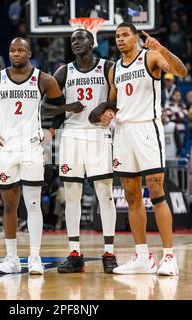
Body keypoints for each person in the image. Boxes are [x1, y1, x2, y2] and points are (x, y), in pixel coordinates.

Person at [0, 37, 82, 275]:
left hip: (31, 148)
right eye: (12, 49)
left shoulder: (44, 79)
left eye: (21, 50)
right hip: (5, 148)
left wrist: (49, 132)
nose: (15, 53)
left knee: (33, 204)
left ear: (30, 53)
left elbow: (60, 108)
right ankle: (11, 258)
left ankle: (35, 257)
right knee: (9, 205)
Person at [89, 22, 188, 276]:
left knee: (157, 193)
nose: (120, 39)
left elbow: (182, 72)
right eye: (117, 36)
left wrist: (162, 49)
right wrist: (107, 113)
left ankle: (169, 257)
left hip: (147, 129)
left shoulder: (151, 56)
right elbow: (113, 101)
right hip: (123, 132)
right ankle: (142, 256)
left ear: (135, 37)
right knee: (132, 196)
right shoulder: (114, 70)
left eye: (124, 35)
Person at [44, 29, 118, 274]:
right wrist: (67, 106)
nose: (76, 43)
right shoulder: (63, 71)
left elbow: (121, 98)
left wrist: (105, 105)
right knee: (72, 196)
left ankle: (109, 252)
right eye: (72, 39)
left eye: (81, 38)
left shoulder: (108, 67)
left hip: (99, 134)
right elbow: (47, 109)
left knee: (105, 194)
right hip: (71, 136)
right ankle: (75, 253)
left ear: (92, 42)